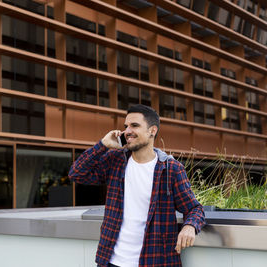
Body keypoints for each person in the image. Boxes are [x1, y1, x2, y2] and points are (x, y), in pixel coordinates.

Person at [69, 104, 205, 267]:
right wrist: (102, 145)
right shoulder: (115, 160)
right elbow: (76, 173)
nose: (127, 131)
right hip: (111, 261)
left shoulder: (171, 169)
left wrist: (190, 226)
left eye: (134, 125)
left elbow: (194, 209)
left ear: (152, 130)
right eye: (126, 126)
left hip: (154, 262)